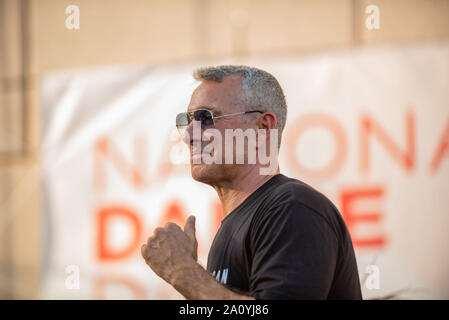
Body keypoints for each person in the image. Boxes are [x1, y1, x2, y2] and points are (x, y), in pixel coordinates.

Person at [141, 65, 362, 300]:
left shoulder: (292, 207)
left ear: (262, 128)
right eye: (187, 120)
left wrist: (183, 273)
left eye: (206, 117)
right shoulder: (233, 228)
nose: (188, 135)